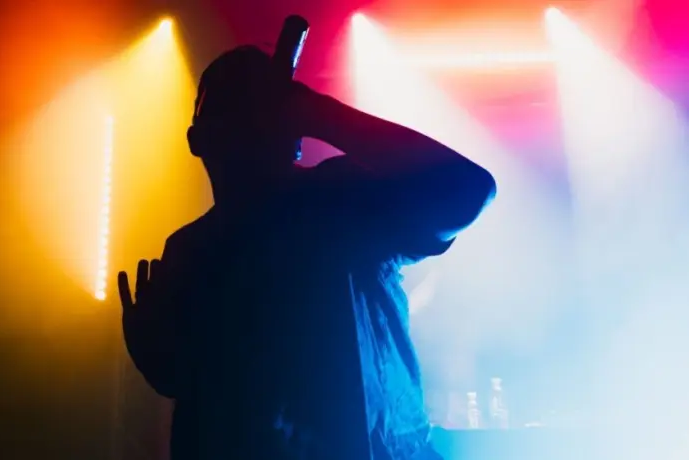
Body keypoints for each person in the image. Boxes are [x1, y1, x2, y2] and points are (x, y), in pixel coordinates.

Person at [118, 45, 496, 460]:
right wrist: (155, 360)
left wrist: (319, 112)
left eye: (269, 101)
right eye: (239, 104)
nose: (259, 116)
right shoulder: (190, 250)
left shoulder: (340, 195)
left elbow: (466, 190)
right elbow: (196, 383)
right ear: (198, 140)